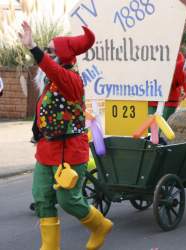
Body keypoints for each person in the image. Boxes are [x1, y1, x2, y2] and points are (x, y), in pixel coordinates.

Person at [19, 21, 113, 250]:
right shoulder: (50, 81)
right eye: (46, 50)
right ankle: (50, 247)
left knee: (69, 200)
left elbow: (51, 68)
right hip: (47, 150)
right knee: (42, 198)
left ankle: (100, 225)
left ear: (63, 57)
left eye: (51, 51)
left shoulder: (70, 80)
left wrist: (33, 47)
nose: (47, 54)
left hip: (70, 152)